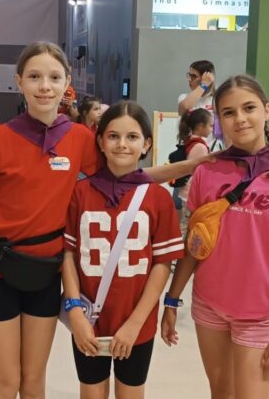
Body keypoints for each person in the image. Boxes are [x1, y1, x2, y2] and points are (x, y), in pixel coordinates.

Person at [0, 42, 205, 399]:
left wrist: (191, 166)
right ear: (19, 81)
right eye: (34, 77)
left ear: (67, 83)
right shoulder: (0, 139)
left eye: (54, 77)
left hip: (47, 272)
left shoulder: (79, 138)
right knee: (5, 381)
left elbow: (128, 175)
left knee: (33, 381)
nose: (44, 86)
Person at [161, 74, 269, 398]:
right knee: (220, 392)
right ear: (219, 120)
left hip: (259, 311)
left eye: (249, 108)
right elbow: (195, 245)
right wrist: (172, 299)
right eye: (229, 112)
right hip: (209, 304)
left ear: (266, 110)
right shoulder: (207, 171)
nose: (240, 118)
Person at [62, 101, 184, 399]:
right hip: (88, 319)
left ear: (147, 144)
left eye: (132, 137)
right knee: (91, 392)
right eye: (113, 136)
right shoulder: (80, 192)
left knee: (131, 393)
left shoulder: (158, 198)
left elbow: (162, 264)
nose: (122, 144)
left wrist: (136, 323)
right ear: (100, 141)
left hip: (135, 322)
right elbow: (69, 255)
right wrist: (74, 310)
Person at [172, 108, 213, 220]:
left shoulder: (190, 141)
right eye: (210, 126)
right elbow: (202, 173)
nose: (212, 129)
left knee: (186, 223)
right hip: (191, 193)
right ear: (200, 126)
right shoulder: (200, 147)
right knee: (188, 224)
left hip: (187, 191)